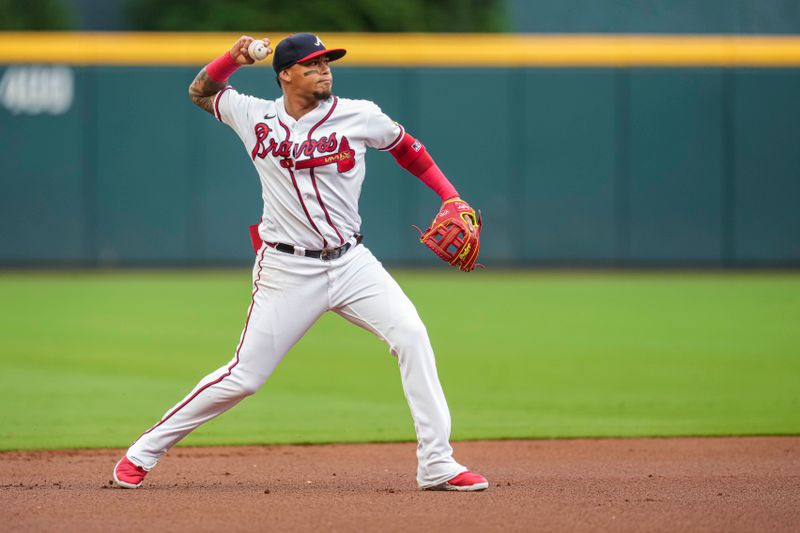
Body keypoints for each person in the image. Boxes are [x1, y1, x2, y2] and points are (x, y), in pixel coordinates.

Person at [112, 33, 487, 492]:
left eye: (327, 62)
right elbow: (200, 92)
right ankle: (144, 450)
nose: (324, 69)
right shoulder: (253, 114)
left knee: (411, 336)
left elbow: (407, 148)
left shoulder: (359, 114)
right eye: (312, 64)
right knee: (245, 376)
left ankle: (437, 463)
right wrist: (232, 57)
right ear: (285, 74)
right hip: (287, 271)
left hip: (352, 263)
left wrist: (450, 195)